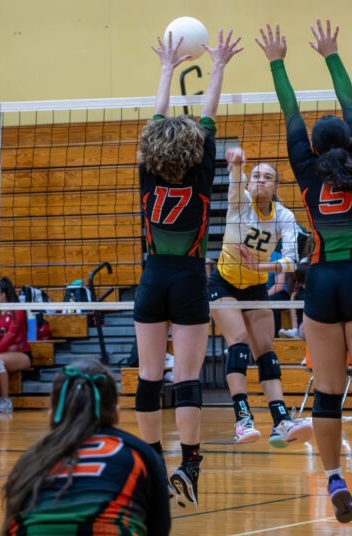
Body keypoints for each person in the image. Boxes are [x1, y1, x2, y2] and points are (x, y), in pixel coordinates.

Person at [257, 19, 352, 523]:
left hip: (321, 282)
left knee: (329, 391)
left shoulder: (306, 170)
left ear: (314, 147)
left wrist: (277, 61)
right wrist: (332, 55)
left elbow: (290, 112)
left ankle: (334, 477)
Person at [133, 29, 241, 509]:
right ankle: (191, 463)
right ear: (196, 150)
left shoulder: (147, 173)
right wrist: (217, 64)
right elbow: (207, 115)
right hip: (191, 279)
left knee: (149, 378)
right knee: (188, 380)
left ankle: (153, 462)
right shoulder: (201, 172)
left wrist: (166, 67)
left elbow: (156, 119)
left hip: (153, 278)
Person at [208, 148, 312, 447]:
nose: (261, 181)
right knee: (238, 339)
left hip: (254, 285)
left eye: (268, 177)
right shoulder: (240, 203)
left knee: (266, 351)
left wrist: (260, 266)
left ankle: (280, 420)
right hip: (224, 283)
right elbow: (235, 183)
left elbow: (293, 261)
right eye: (256, 176)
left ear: (275, 186)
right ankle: (243, 420)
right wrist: (238, 165)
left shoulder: (284, 216)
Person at [1, 359, 170, 535]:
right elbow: (159, 529)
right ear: (116, 414)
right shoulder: (141, 454)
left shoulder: (29, 460)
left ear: (52, 415)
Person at [0, 277, 32, 413]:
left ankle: (6, 401)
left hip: (22, 354)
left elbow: (11, 335)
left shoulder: (18, 310)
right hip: (2, 353)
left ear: (3, 294)